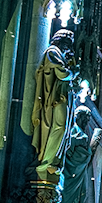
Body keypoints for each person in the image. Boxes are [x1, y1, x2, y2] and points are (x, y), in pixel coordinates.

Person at [31, 29, 79, 180]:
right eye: (67, 44)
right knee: (59, 127)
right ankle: (46, 161)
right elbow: (62, 73)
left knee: (64, 130)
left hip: (63, 98)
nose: (68, 48)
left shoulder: (61, 55)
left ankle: (55, 161)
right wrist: (73, 73)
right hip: (55, 99)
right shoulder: (53, 51)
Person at [56, 106, 102, 203]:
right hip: (71, 173)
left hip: (79, 174)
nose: (87, 122)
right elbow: (70, 154)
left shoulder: (81, 132)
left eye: (88, 119)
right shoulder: (73, 131)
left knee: (83, 195)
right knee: (67, 198)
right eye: (85, 118)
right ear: (79, 116)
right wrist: (87, 153)